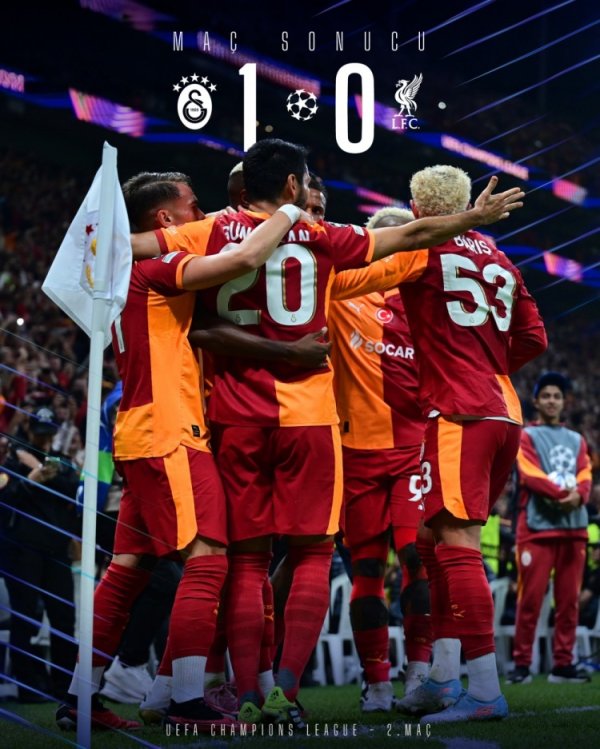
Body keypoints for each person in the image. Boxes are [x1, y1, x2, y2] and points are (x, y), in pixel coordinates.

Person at [134, 138, 525, 728]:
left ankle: (247, 689)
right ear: (293, 186)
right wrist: (472, 220)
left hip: (234, 416)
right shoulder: (321, 240)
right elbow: (409, 238)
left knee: (246, 561)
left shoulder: (208, 232)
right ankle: (285, 693)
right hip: (312, 418)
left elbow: (137, 250)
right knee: (315, 556)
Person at [56, 171, 314, 732]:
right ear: (165, 219)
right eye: (193, 206)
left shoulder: (124, 273)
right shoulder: (158, 270)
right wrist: (291, 212)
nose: (203, 214)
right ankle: (187, 702)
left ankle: (81, 699)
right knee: (209, 558)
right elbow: (242, 259)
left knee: (128, 569)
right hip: (171, 433)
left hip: (139, 432)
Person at [391, 165, 547, 723]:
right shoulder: (500, 256)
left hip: (460, 411)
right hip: (503, 410)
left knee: (456, 542)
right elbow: (534, 337)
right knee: (432, 538)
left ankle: (482, 692)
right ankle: (442, 677)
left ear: (416, 209)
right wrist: (487, 366)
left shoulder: (421, 247)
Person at [328, 206, 432, 711]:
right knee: (367, 568)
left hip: (416, 451)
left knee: (416, 557)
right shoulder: (341, 293)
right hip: (356, 455)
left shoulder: (426, 299)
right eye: (384, 242)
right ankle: (376, 683)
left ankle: (421, 673)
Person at [507, 372, 592, 684]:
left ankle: (563, 665)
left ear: (564, 402)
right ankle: (522, 665)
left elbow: (585, 472)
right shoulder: (526, 436)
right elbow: (529, 474)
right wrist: (566, 496)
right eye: (546, 396)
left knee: (568, 602)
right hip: (536, 529)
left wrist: (579, 496)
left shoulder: (577, 440)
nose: (552, 401)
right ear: (536, 401)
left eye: (557, 396)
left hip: (573, 529)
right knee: (530, 601)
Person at [0, 407, 80, 704]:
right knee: (25, 617)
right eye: (39, 432)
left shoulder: (60, 461)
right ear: (30, 430)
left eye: (48, 433)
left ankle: (64, 684)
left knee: (64, 618)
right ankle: (28, 686)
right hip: (22, 551)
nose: (44, 438)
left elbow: (72, 489)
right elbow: (6, 499)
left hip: (56, 551)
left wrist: (39, 468)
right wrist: (33, 476)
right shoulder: (13, 462)